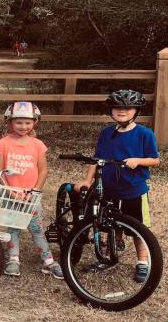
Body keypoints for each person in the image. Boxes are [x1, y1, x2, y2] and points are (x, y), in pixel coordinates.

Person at [73, 90, 159, 282]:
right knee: (107, 222)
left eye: (127, 108)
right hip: (108, 188)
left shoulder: (144, 134)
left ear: (136, 111)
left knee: (138, 228)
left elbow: (155, 160)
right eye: (117, 108)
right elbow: (96, 159)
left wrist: (138, 160)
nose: (122, 111)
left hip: (133, 189)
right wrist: (88, 180)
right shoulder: (106, 133)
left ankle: (142, 262)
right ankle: (111, 251)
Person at [0, 101, 63, 279]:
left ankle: (48, 261)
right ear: (9, 122)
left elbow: (43, 170)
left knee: (36, 229)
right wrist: (11, 192)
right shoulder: (2, 144)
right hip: (11, 195)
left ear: (35, 122)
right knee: (13, 228)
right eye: (19, 122)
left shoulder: (38, 145)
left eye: (28, 122)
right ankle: (13, 260)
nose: (23, 126)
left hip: (31, 196)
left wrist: (35, 190)